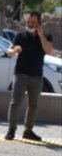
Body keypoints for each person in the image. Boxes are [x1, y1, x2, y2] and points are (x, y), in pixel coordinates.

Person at [5, 10, 53, 141]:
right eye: (28, 22)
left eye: (33, 22)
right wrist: (14, 50)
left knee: (33, 105)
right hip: (20, 74)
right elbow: (9, 51)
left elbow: (48, 50)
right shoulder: (20, 36)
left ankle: (28, 131)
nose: (30, 24)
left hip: (37, 76)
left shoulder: (46, 36)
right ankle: (11, 130)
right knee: (15, 103)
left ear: (39, 23)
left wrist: (41, 35)